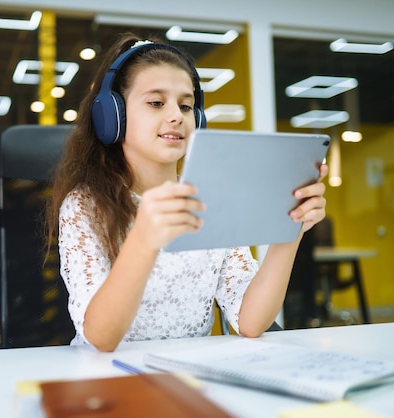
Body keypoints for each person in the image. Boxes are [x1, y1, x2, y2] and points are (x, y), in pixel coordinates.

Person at [47, 33, 328, 352]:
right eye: (156, 102)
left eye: (186, 105)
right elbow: (101, 337)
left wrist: (289, 228)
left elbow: (250, 322)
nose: (176, 116)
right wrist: (144, 238)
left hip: (190, 376)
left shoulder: (212, 198)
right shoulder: (87, 204)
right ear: (113, 114)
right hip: (106, 381)